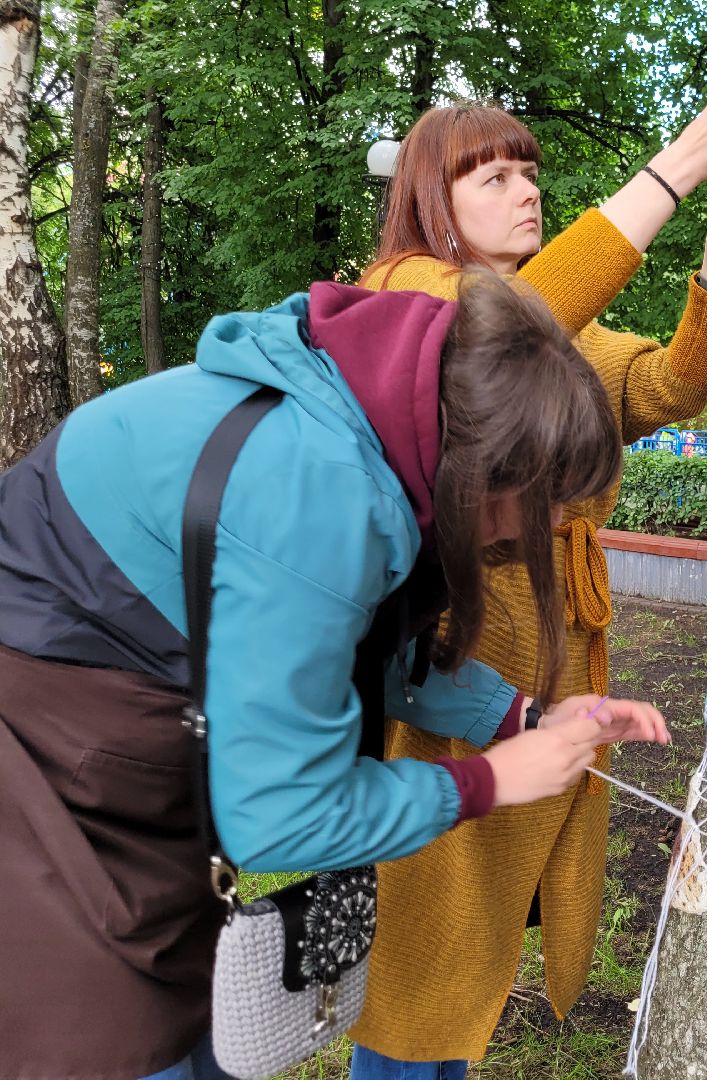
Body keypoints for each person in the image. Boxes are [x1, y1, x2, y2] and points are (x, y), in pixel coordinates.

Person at [0, 270, 673, 1080]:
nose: (560, 523)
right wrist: (485, 784)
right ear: (490, 469)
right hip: (48, 757)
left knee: (186, 1016)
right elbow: (279, 819)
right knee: (126, 1042)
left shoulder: (374, 422)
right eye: (554, 498)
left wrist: (523, 719)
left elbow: (346, 650)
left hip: (119, 733)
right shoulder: (323, 499)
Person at [346, 82, 707, 1075]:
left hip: (561, 643)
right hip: (450, 646)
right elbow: (480, 336)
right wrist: (681, 163)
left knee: (488, 924)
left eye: (531, 173)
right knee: (431, 932)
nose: (526, 193)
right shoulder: (403, 290)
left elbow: (670, 385)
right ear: (429, 199)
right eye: (494, 176)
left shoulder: (558, 325)